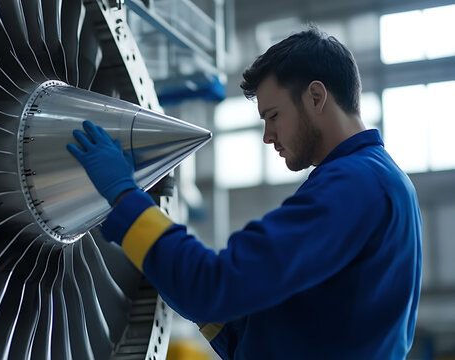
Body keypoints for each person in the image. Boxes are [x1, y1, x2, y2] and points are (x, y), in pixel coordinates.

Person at [67, 27, 422, 359]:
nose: (268, 136)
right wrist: (196, 298)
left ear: (316, 96)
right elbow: (297, 330)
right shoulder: (380, 181)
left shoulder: (355, 186)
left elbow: (213, 286)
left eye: (273, 115)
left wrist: (124, 195)